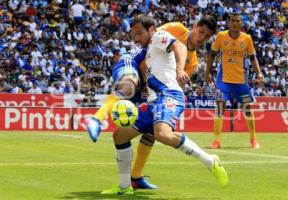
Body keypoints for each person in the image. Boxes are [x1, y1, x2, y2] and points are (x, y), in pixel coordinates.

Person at [86, 15, 218, 189]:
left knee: (152, 130)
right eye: (201, 32)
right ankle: (97, 118)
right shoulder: (176, 28)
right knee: (128, 85)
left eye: (206, 37)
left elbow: (171, 80)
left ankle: (135, 178)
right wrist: (178, 68)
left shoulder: (193, 62)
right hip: (136, 64)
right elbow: (151, 40)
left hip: (150, 85)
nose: (201, 38)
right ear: (194, 26)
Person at [205, 13, 264, 149]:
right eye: (233, 21)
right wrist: (207, 74)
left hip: (241, 82)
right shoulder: (221, 36)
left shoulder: (247, 39)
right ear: (229, 23)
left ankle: (253, 139)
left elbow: (253, 58)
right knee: (220, 107)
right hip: (223, 81)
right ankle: (217, 141)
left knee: (247, 109)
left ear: (241, 23)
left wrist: (259, 73)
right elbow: (212, 55)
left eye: (238, 21)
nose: (235, 23)